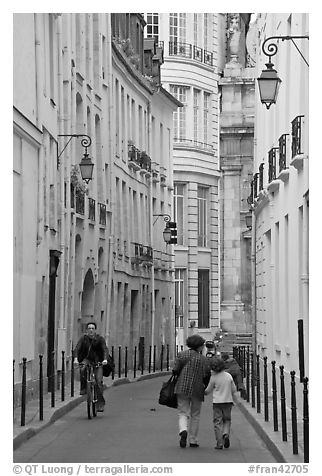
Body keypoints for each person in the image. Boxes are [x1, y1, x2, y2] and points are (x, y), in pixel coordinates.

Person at [172, 334, 211, 448]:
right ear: (199, 346)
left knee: (183, 412)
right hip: (197, 389)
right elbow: (206, 375)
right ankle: (193, 440)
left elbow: (175, 370)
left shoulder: (182, 355)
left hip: (182, 387)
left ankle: (183, 430)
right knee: (195, 414)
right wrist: (206, 387)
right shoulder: (203, 359)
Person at [204, 357, 239, 450]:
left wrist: (203, 391)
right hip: (228, 401)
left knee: (217, 422)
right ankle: (226, 434)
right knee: (227, 420)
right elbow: (234, 389)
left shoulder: (213, 377)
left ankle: (219, 443)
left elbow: (208, 390)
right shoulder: (228, 376)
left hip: (217, 403)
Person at [74, 322, 109, 412]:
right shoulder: (84, 339)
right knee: (82, 369)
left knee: (98, 381)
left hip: (98, 361)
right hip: (87, 359)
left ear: (95, 330)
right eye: (89, 328)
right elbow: (77, 348)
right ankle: (84, 388)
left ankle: (100, 404)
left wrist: (105, 359)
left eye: (92, 328)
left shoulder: (100, 339)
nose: (91, 330)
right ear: (87, 330)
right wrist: (76, 359)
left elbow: (104, 349)